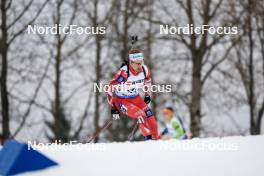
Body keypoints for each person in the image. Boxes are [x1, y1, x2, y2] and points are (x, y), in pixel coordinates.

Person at [106, 49, 159, 140]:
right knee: (141, 114)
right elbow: (109, 88)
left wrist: (147, 95)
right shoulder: (124, 73)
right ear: (131, 62)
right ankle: (149, 140)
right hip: (122, 100)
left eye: (141, 62)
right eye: (137, 63)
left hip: (136, 98)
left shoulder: (145, 70)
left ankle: (157, 140)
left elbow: (148, 82)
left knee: (151, 119)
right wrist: (113, 107)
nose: (140, 66)